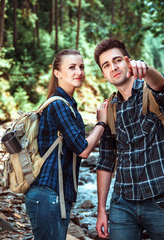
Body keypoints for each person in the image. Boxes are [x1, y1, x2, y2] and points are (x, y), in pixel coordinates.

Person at [94, 39, 164, 240]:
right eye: (106, 65)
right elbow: (106, 162)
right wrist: (101, 209)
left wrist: (146, 69)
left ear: (128, 62)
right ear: (103, 74)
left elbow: (163, 86)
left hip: (162, 201)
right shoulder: (110, 109)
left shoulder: (152, 93)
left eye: (117, 60)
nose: (113, 67)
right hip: (122, 204)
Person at [25, 49, 108, 240]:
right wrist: (101, 123)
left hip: (54, 196)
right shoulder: (58, 105)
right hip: (48, 195)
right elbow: (83, 149)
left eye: (81, 67)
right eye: (72, 67)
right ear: (57, 73)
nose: (79, 71)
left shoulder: (68, 104)